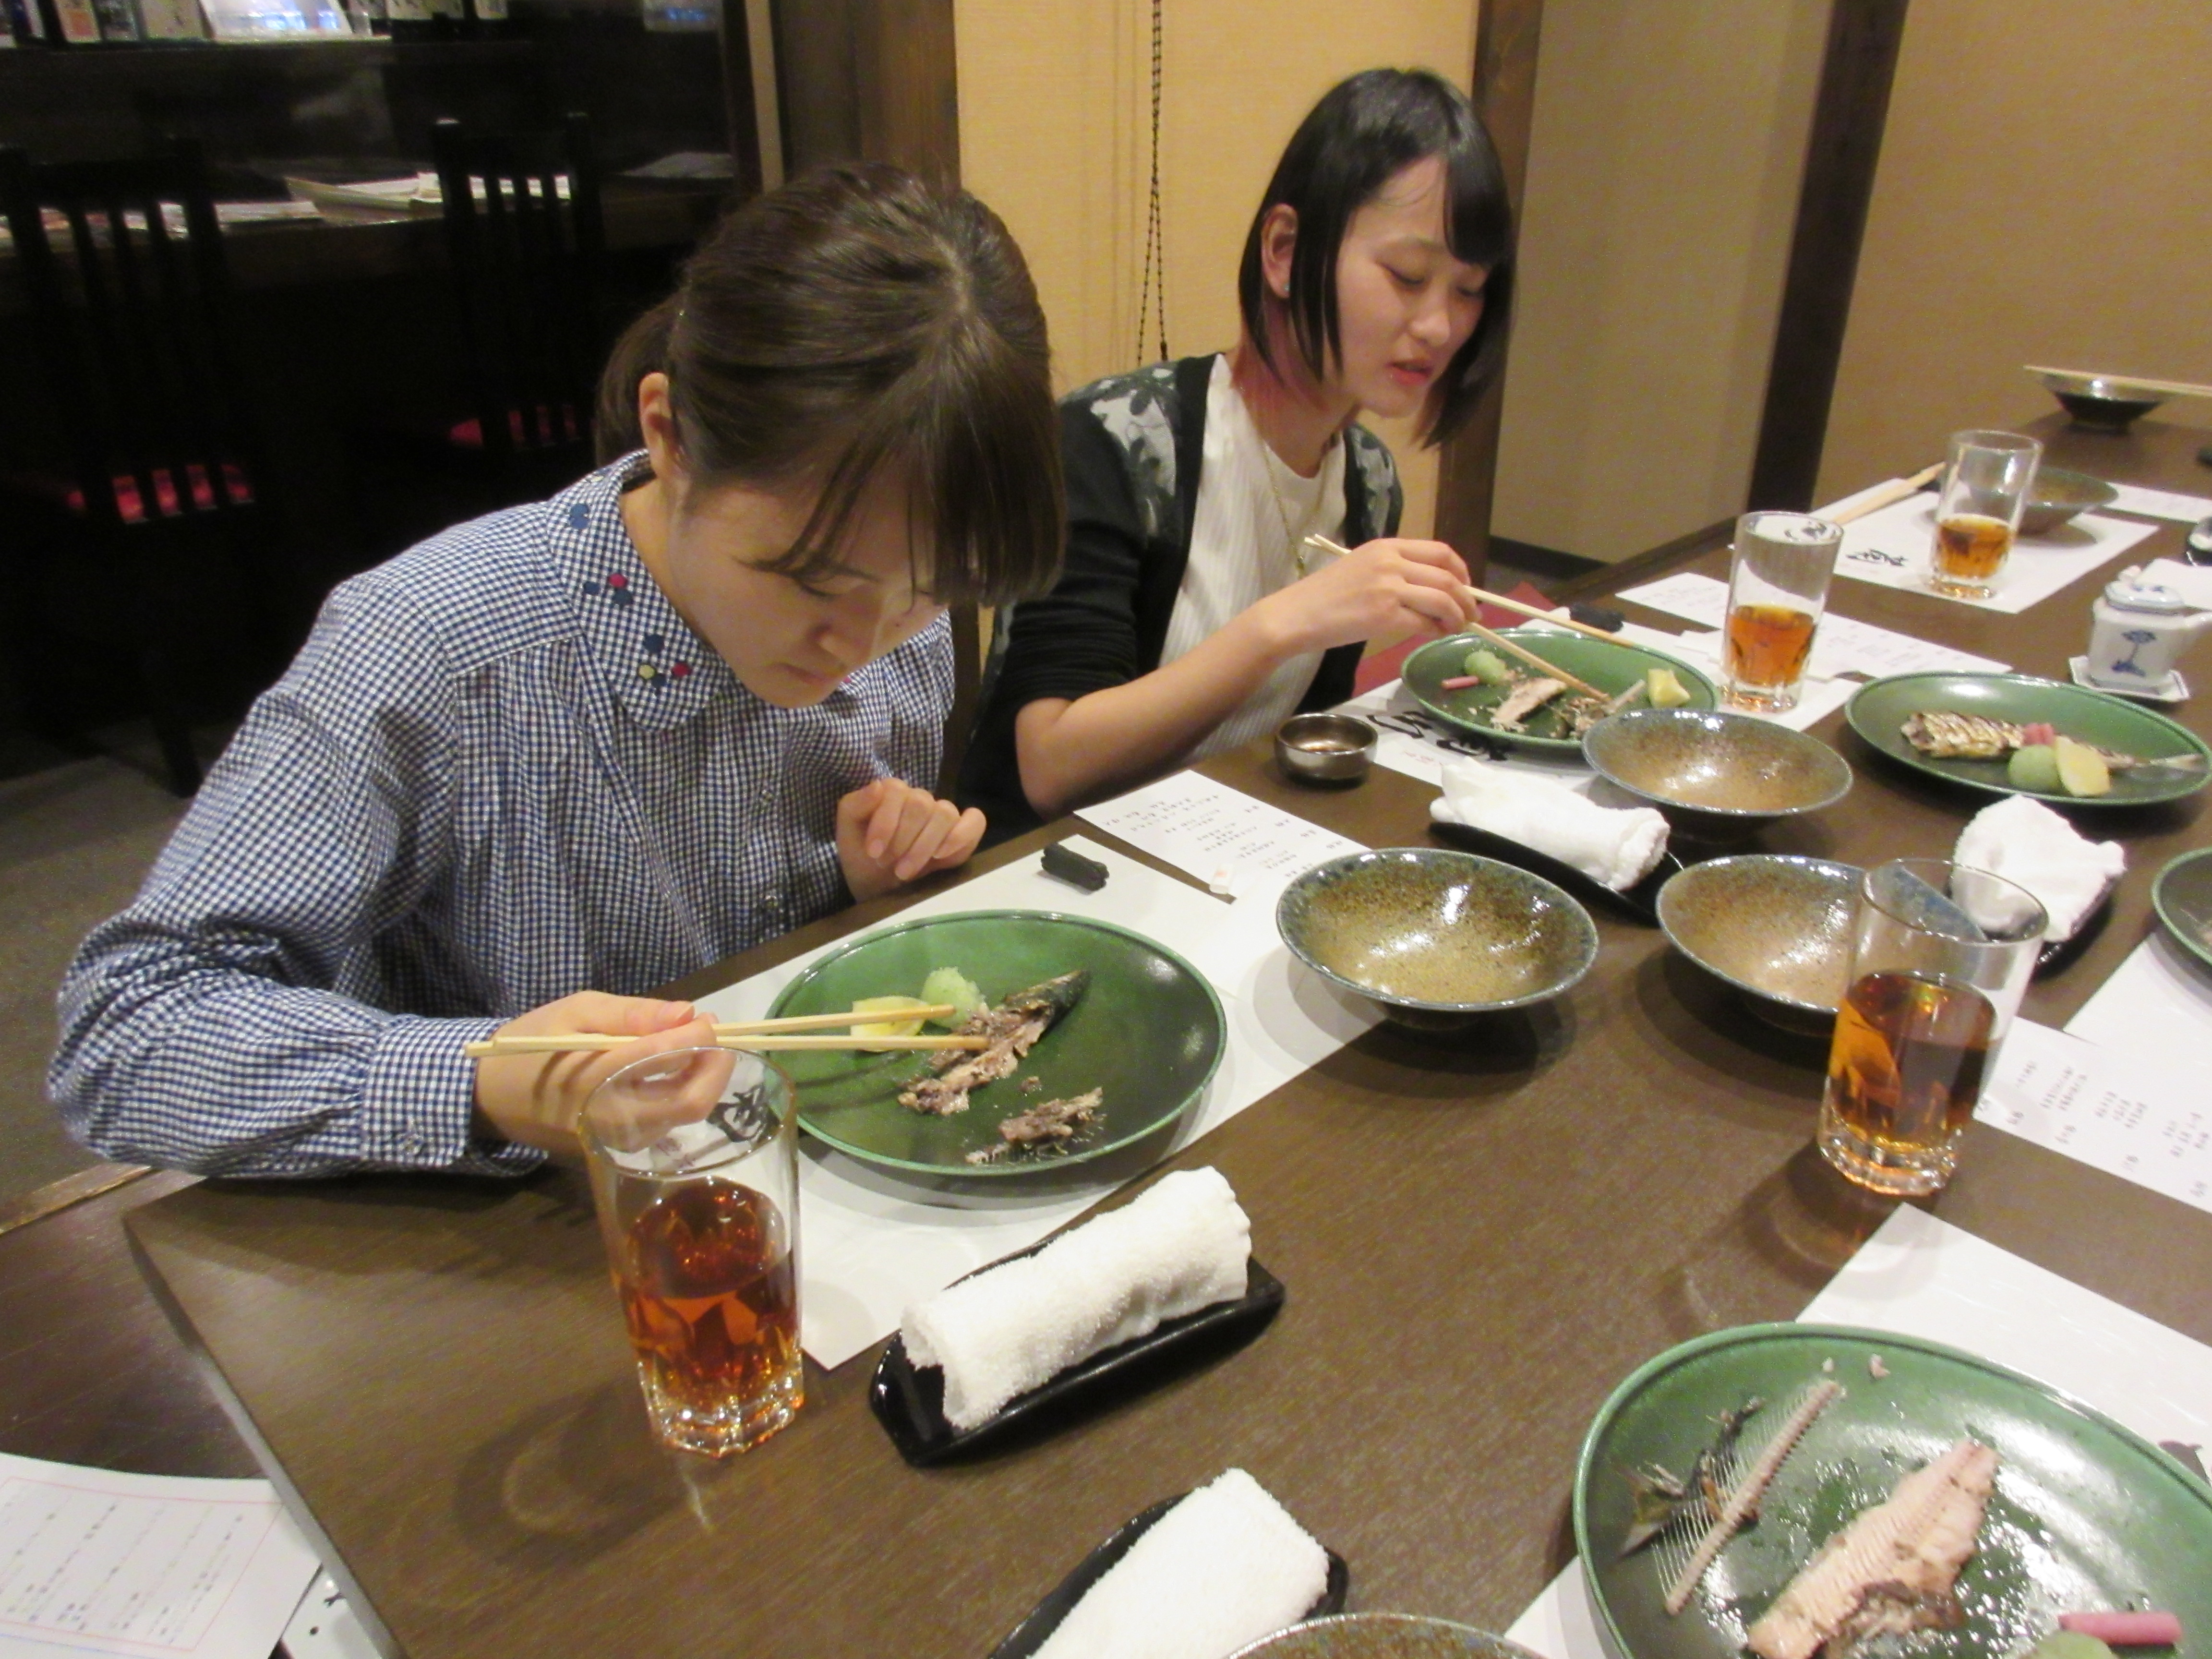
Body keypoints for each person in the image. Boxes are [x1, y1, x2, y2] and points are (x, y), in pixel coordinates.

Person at [49, 163, 1063, 1178]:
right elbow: (126, 1030)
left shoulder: (898, 627)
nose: (863, 644)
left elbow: (761, 960)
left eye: (931, 590)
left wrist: (853, 883)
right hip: (493, 1222)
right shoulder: (436, 648)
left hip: (775, 1172)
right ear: (670, 436)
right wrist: (487, 1081)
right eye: (810, 580)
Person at [960, 68, 1515, 837]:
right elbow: (1052, 768)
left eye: (1469, 289)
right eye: (1408, 275)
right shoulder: (1112, 442)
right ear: (1284, 251)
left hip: (1220, 852)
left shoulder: (1369, 481)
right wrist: (1287, 622)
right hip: (1051, 868)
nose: (1440, 326)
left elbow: (1294, 747)